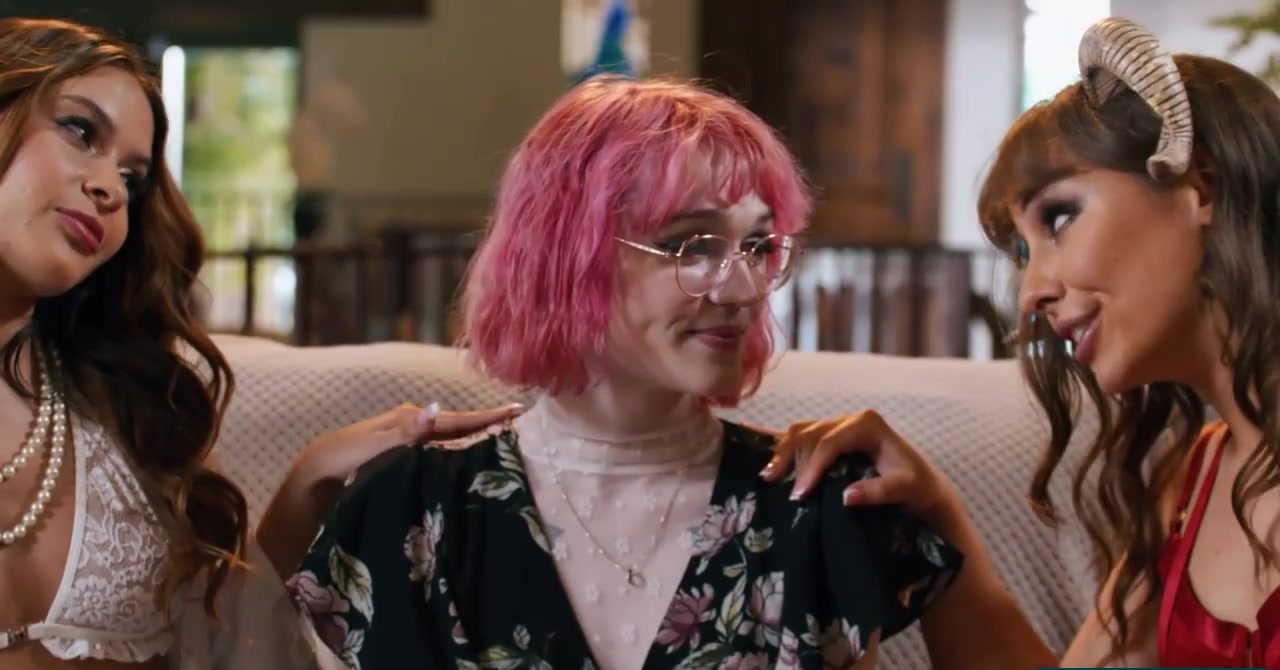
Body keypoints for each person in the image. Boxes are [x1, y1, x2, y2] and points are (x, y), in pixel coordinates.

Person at [288, 75, 964, 670]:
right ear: (567, 257)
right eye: (690, 244)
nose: (743, 289)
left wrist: (937, 500)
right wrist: (305, 480)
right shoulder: (411, 506)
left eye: (758, 245)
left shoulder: (818, 507)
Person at [764, 16, 1280, 669]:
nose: (1032, 293)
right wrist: (936, 514)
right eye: (1022, 255)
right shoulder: (1193, 483)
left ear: (1199, 185)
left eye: (1059, 218)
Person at [0, 18, 517, 670]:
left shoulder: (125, 407)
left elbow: (234, 648)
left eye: (132, 178)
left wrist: (312, 477)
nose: (108, 189)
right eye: (80, 131)